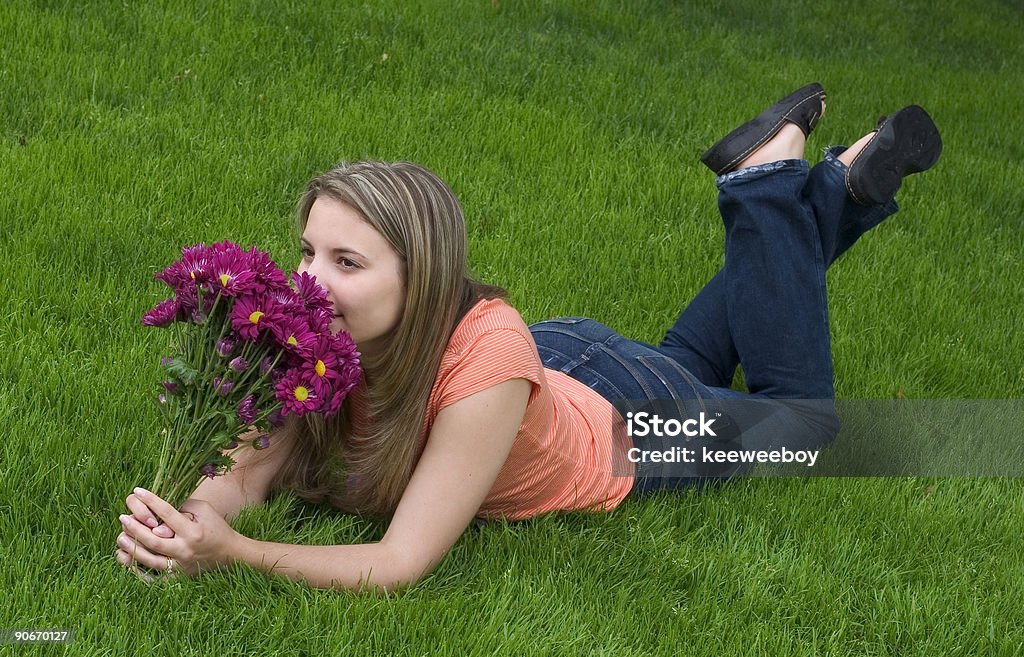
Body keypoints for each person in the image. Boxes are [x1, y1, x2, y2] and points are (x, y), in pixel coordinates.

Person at [115, 83, 942, 591]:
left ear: (423, 275)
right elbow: (246, 472)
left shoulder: (482, 359)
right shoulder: (307, 339)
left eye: (347, 260)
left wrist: (233, 554)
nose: (309, 280)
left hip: (627, 429)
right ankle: (832, 186)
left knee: (802, 423)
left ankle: (768, 184)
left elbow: (399, 563)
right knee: (682, 359)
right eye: (307, 251)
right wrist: (188, 520)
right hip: (555, 366)